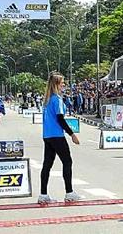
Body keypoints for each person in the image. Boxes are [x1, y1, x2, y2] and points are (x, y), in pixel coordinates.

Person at [38, 73, 81, 204]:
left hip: (47, 136)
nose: (64, 85)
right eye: (62, 83)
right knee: (67, 161)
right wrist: (72, 134)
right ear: (57, 84)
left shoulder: (47, 100)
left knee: (47, 165)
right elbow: (60, 119)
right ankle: (69, 192)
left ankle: (43, 194)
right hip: (57, 135)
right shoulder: (57, 99)